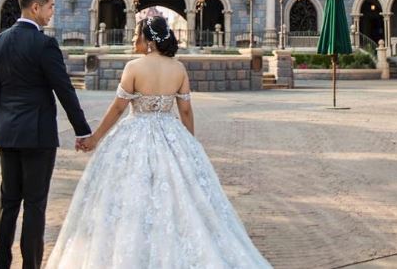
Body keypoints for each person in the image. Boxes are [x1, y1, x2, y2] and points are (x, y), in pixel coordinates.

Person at [45, 16, 272, 269]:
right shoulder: (178, 69)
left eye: (138, 35)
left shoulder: (133, 67)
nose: (134, 39)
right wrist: (189, 144)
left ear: (149, 40)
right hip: (170, 132)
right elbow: (185, 111)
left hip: (134, 135)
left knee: (131, 195)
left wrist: (95, 138)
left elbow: (119, 108)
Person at [0, 0, 92, 269]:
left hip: (6, 133)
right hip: (38, 136)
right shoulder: (45, 44)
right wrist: (82, 130)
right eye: (50, 6)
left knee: (7, 203)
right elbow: (64, 89)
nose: (52, 12)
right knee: (34, 204)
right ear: (35, 7)